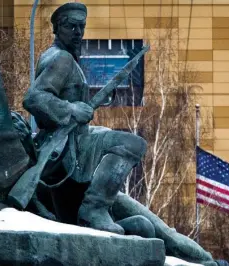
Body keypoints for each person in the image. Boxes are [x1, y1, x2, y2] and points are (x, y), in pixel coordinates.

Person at [23, 2, 146, 235]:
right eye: (72, 27)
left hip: (74, 138)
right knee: (133, 144)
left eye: (82, 27)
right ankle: (95, 208)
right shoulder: (62, 59)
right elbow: (34, 98)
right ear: (58, 28)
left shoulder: (66, 57)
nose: (78, 32)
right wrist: (72, 109)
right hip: (66, 145)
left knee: (106, 134)